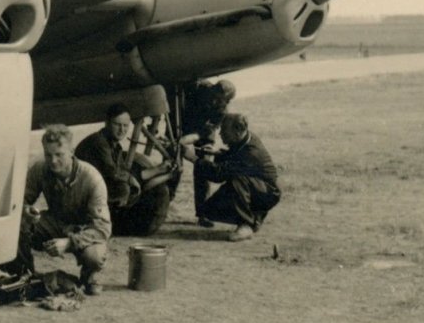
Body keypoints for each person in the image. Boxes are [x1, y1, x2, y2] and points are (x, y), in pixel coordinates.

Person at [0, 125, 111, 295]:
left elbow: (102, 228)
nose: (53, 161)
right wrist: (26, 210)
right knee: (18, 224)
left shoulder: (92, 179)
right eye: (48, 155)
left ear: (71, 152)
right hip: (55, 223)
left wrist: (69, 243)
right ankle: (24, 275)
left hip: (85, 229)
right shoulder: (41, 169)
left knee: (93, 256)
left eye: (59, 155)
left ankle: (89, 276)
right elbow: (18, 201)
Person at [75, 103, 172, 236]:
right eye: (117, 125)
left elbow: (124, 172)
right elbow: (113, 172)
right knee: (123, 188)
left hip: (97, 194)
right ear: (107, 123)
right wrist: (132, 179)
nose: (122, 130)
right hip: (83, 197)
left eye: (125, 126)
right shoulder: (99, 143)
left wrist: (160, 170)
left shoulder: (114, 145)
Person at [182, 112, 281, 242]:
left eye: (224, 130)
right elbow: (235, 155)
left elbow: (218, 174)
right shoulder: (246, 138)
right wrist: (217, 153)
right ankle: (255, 219)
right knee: (209, 209)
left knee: (238, 180)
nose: (220, 134)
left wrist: (193, 158)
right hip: (257, 188)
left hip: (267, 194)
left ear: (238, 131)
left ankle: (246, 225)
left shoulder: (251, 153)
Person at [182, 79, 236, 225]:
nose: (214, 101)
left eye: (220, 100)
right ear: (213, 90)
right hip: (183, 124)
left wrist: (191, 138)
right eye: (214, 96)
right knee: (173, 164)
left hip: (203, 133)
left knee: (204, 169)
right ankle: (165, 202)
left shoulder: (222, 111)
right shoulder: (199, 89)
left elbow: (208, 130)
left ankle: (203, 214)